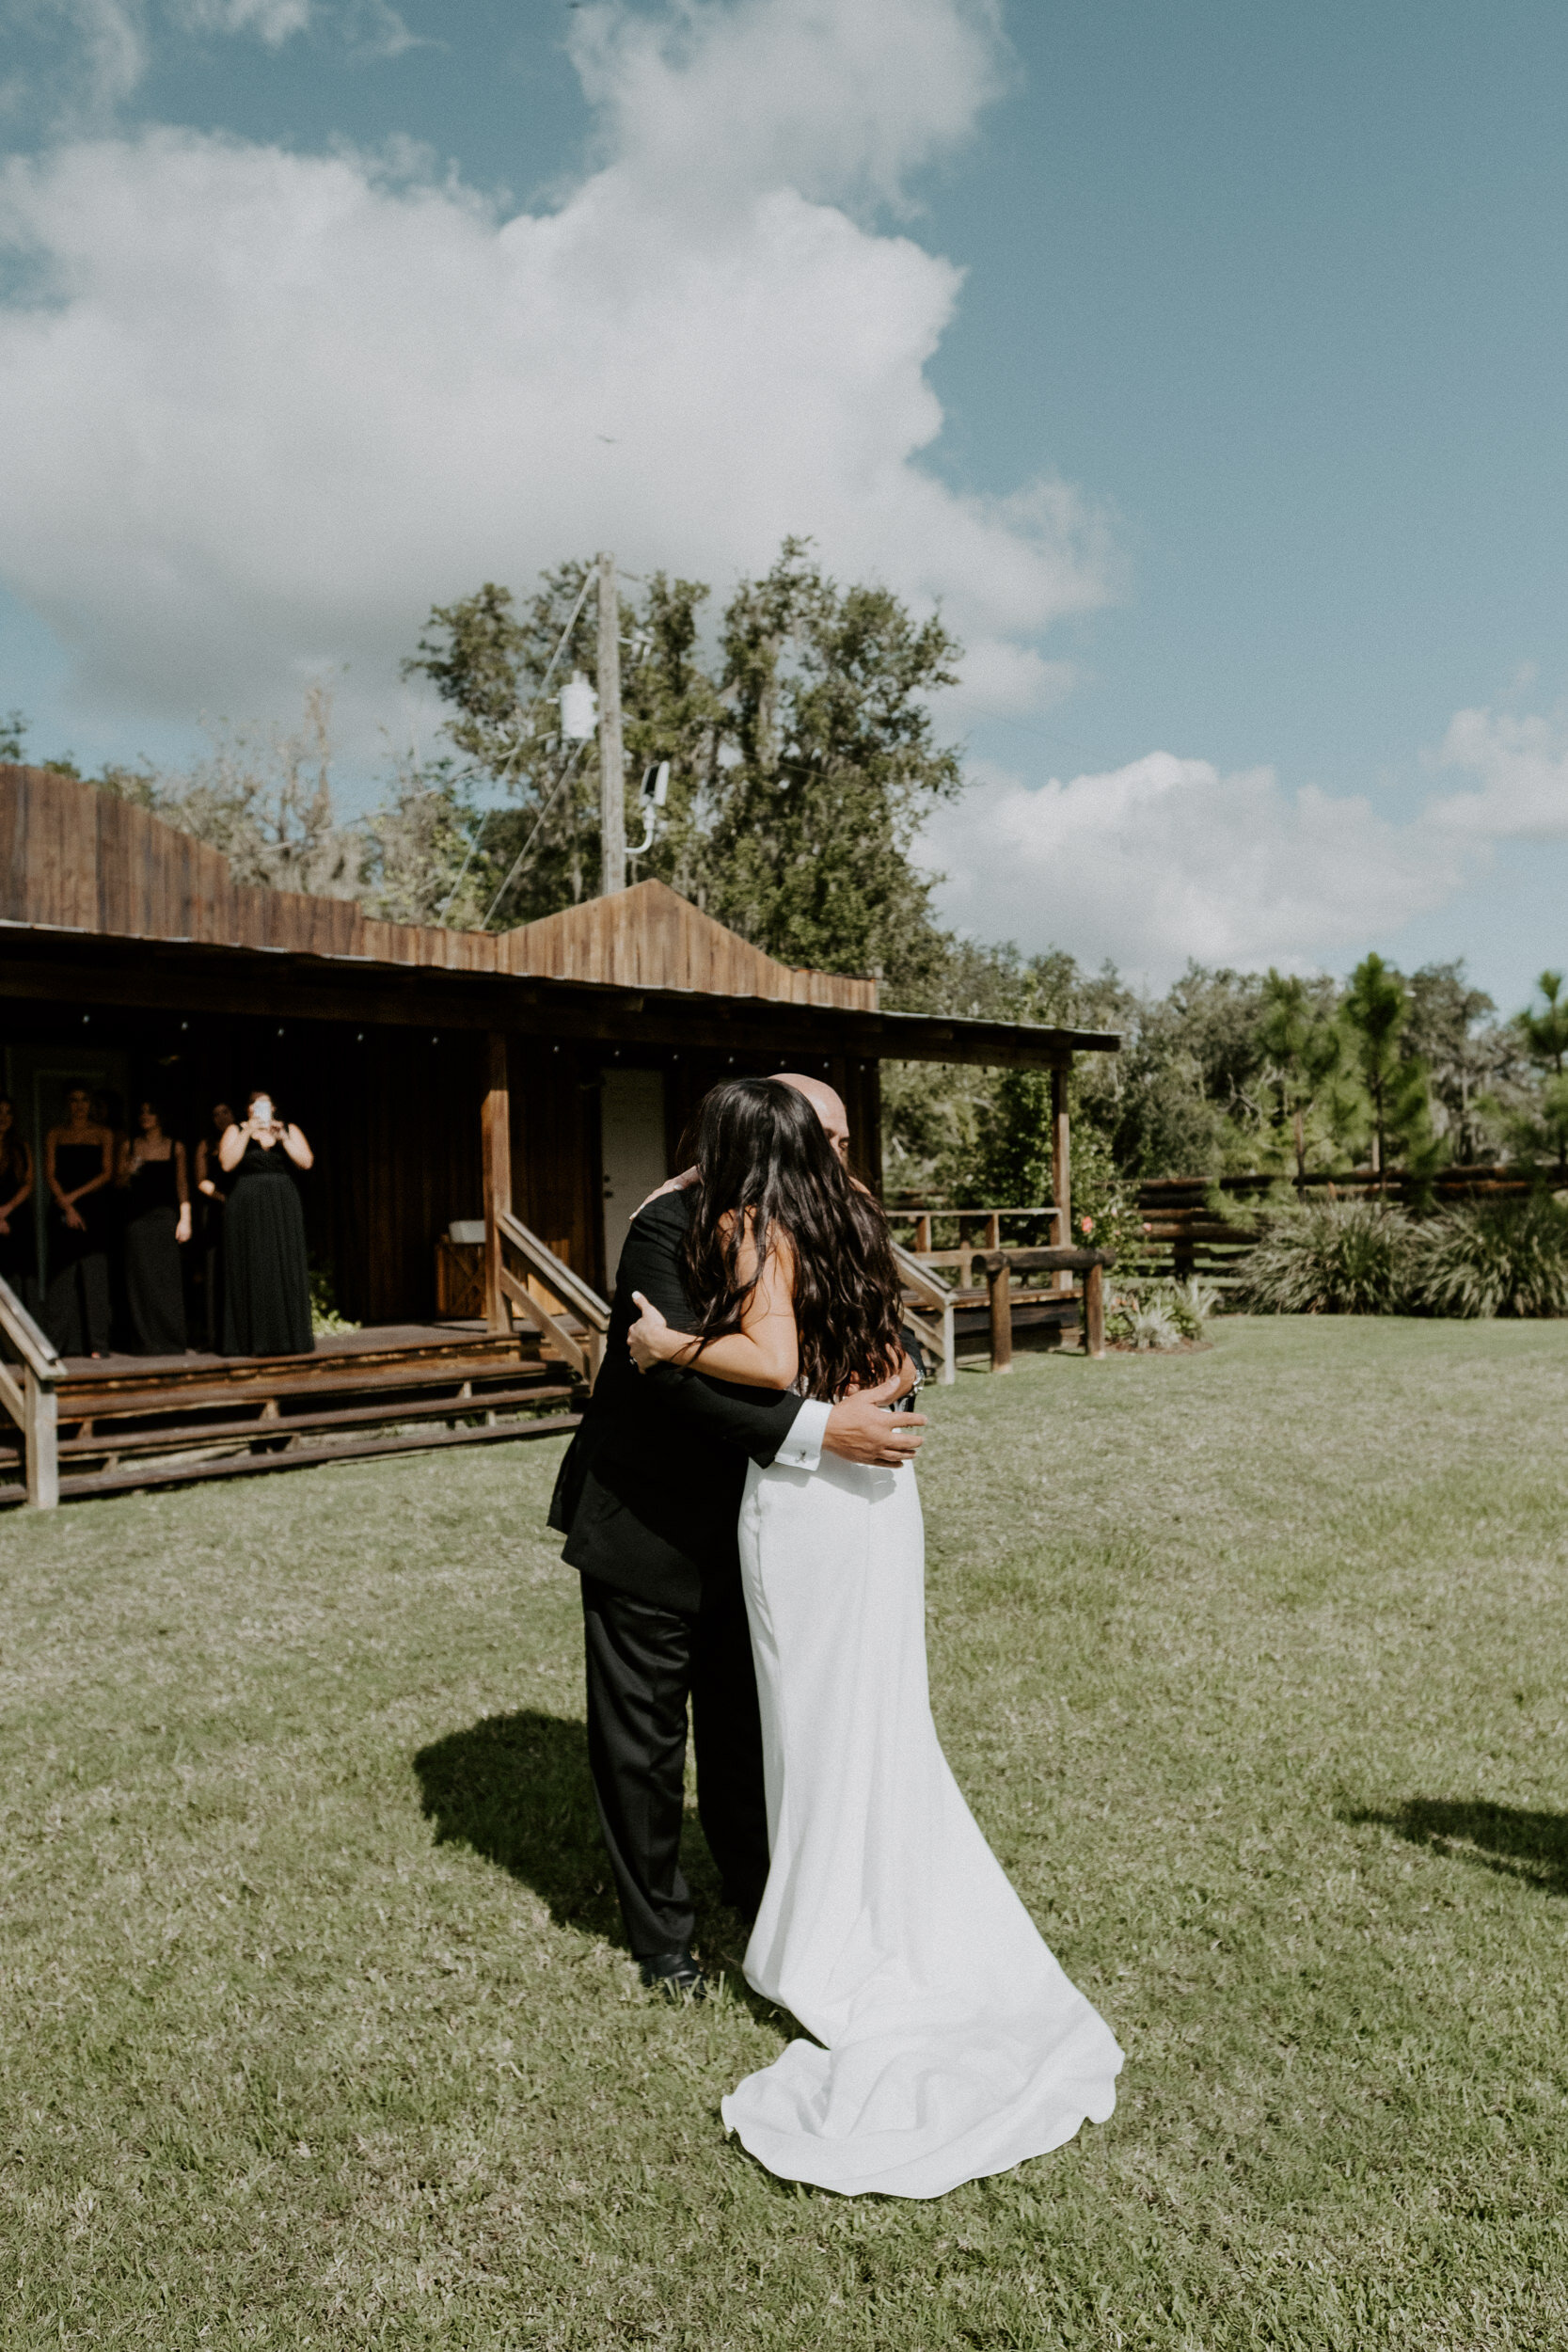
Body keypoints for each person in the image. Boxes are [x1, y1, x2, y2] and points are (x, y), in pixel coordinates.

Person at [627, 1077, 1123, 2200]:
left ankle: (826, 1934)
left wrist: (667, 1345)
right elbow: (898, 1361)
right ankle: (882, 1901)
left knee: (809, 1725)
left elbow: (761, 1361)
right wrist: (864, 1417)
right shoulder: (850, 1215)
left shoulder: (749, 1222)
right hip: (877, 1498)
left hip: (804, 1513)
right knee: (881, 1718)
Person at [547, 1073, 926, 2001]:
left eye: (842, 1141)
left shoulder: (825, 1214)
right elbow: (666, 1379)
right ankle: (661, 1938)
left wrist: (884, 1399)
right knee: (641, 1742)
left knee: (745, 1726)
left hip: (770, 1526)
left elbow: (871, 1333)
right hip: (651, 1515)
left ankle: (759, 1891)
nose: (839, 1158)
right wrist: (818, 1432)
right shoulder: (665, 1224)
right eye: (822, 1138)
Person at [218, 1089, 314, 1357]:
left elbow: (305, 1162)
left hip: (282, 1204)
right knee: (252, 1263)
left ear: (273, 1109)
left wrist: (282, 1137)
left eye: (265, 1106)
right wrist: (248, 1131)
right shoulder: (236, 1131)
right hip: (247, 1205)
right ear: (248, 1110)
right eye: (255, 1107)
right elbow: (227, 1164)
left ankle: (288, 1338)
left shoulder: (288, 1130)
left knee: (282, 1263)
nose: (260, 1111)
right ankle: (249, 1339)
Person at [42, 1085, 115, 1356]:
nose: (79, 1105)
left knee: (95, 1275)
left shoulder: (102, 1133)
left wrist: (74, 1198)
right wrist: (66, 1205)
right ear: (67, 1103)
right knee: (61, 1276)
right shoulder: (56, 1133)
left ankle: (98, 1344)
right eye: (74, 1100)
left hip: (93, 1207)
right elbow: (50, 1173)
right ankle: (54, 1344)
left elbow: (106, 1173)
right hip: (63, 1208)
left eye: (84, 1100)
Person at [118, 1100, 192, 1354]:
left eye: (150, 1111)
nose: (145, 1116)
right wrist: (128, 1170)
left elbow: (182, 1184)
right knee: (140, 1279)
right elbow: (118, 1183)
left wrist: (185, 1218)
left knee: (167, 1279)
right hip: (137, 1219)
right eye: (142, 1112)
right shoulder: (131, 1145)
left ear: (161, 1116)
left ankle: (171, 1340)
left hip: (165, 1218)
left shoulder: (175, 1147)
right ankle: (144, 1342)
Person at [195, 1102, 236, 1350]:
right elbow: (201, 1180)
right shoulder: (206, 1144)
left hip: (241, 1206)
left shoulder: (245, 1138)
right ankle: (214, 1334)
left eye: (225, 1112)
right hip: (215, 1206)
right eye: (215, 1114)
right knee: (213, 1269)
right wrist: (222, 1198)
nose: (220, 1118)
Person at [0, 1096, 37, 1309]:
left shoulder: (21, 1146)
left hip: (17, 1215)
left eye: (8, 1112)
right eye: (0, 1111)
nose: (3, 1117)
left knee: (20, 1277)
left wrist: (7, 1210)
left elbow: (28, 1182)